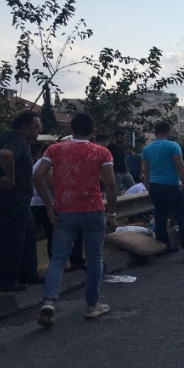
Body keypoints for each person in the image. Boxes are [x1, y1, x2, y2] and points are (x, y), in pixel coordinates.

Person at [34, 113, 118, 326]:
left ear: (71, 129)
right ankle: (92, 305)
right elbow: (111, 185)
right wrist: (112, 213)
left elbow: (37, 176)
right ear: (93, 131)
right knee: (94, 258)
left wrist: (48, 206)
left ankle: (49, 301)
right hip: (93, 210)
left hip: (64, 211)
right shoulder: (102, 152)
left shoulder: (54, 149)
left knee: (58, 258)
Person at [0, 110, 42, 292]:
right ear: (24, 128)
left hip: (13, 200)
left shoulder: (1, 138)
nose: (38, 131)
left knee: (28, 235)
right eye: (36, 127)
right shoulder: (16, 140)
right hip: (8, 199)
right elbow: (6, 154)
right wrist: (11, 177)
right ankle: (2, 281)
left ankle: (28, 274)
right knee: (10, 239)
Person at [141, 121, 184, 256]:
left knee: (160, 217)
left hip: (155, 186)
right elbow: (180, 167)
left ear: (155, 133)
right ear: (168, 132)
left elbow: (146, 169)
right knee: (181, 216)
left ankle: (164, 246)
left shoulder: (147, 149)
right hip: (170, 185)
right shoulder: (173, 146)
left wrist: (148, 185)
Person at [31, 142, 86, 273]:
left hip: (45, 203)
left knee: (61, 232)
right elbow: (53, 187)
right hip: (46, 204)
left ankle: (72, 260)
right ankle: (66, 262)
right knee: (57, 233)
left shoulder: (42, 163)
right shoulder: (46, 165)